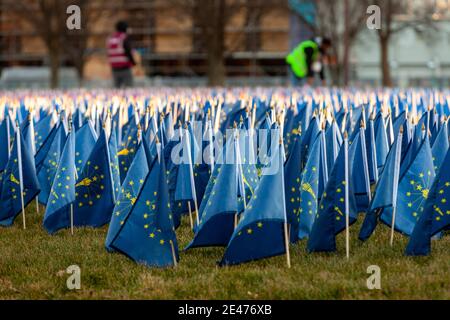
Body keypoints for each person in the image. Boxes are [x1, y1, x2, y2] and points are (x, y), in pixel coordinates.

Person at [107, 21, 136, 88]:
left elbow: (109, 52)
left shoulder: (111, 38)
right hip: (125, 67)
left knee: (116, 88)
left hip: (114, 68)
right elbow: (128, 51)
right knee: (128, 87)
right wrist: (134, 63)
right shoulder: (124, 37)